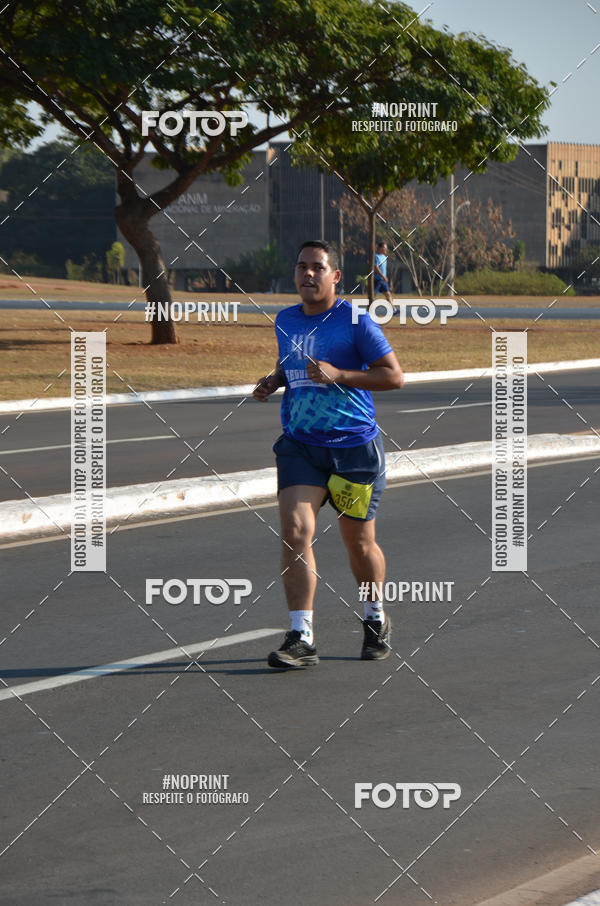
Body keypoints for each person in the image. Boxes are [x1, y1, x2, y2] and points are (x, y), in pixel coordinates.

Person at [253, 239, 404, 669]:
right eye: (301, 267)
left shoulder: (355, 321)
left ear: (335, 276)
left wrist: (341, 374)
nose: (308, 274)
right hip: (301, 446)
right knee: (296, 533)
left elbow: (394, 377)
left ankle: (375, 619)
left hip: (353, 449)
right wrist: (274, 381)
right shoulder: (285, 320)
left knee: (358, 543)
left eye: (317, 267)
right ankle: (301, 636)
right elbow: (291, 366)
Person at [374, 240, 394, 305]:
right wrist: (383, 276)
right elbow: (376, 267)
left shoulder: (384, 257)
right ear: (380, 248)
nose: (386, 249)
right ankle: (367, 310)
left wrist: (384, 277)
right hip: (377, 280)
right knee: (373, 295)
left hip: (383, 280)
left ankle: (394, 310)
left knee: (388, 294)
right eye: (384, 248)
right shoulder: (376, 256)